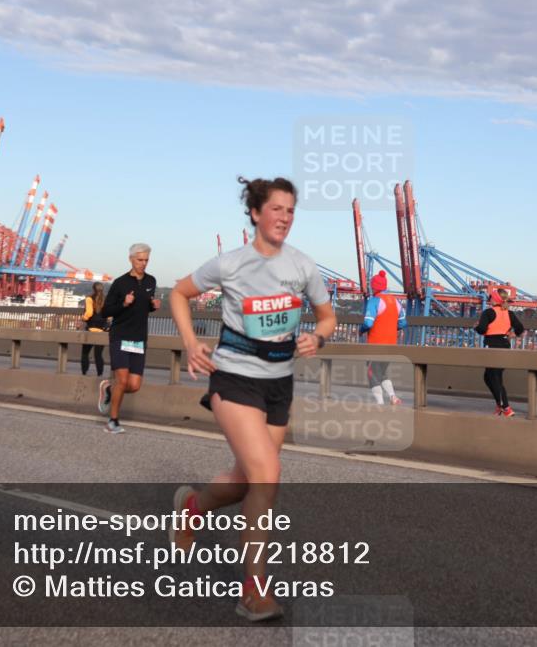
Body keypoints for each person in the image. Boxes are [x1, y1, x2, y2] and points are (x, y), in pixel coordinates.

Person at [169, 176, 336, 621]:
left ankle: (192, 508)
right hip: (234, 377)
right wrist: (190, 342)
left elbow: (327, 315)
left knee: (247, 480)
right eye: (277, 209)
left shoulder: (302, 265)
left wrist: (317, 338)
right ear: (256, 214)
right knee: (267, 472)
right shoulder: (230, 263)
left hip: (279, 383)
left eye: (291, 211)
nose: (284, 217)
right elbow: (179, 293)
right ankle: (253, 590)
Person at [97, 244, 159, 433]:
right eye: (140, 260)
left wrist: (152, 306)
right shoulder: (120, 283)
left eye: (146, 260)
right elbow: (106, 311)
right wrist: (124, 303)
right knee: (122, 381)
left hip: (139, 338)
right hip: (120, 336)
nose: (143, 263)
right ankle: (113, 421)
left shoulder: (151, 281)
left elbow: (143, 307)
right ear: (131, 259)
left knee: (134, 385)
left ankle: (108, 389)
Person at [474, 288, 525, 416]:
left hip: (492, 346)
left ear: (495, 299)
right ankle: (500, 406)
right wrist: (512, 334)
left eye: (491, 296)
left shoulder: (488, 312)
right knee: (492, 377)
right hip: (505, 345)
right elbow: (520, 329)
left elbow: (481, 329)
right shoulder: (509, 313)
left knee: (493, 377)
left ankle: (506, 407)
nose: (489, 298)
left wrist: (476, 327)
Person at [360, 270, 406, 405]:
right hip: (391, 344)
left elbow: (368, 322)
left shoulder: (375, 301)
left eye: (371, 286)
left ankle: (380, 404)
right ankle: (393, 397)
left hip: (375, 344)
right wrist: (392, 328)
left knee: (371, 373)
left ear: (374, 287)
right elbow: (403, 322)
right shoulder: (395, 301)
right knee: (382, 372)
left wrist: (361, 330)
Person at [80, 282, 107, 376]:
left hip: (91, 330)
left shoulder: (89, 299)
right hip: (102, 331)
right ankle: (100, 374)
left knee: (85, 353)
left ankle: (84, 372)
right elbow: (109, 315)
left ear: (93, 289)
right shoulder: (106, 299)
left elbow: (89, 313)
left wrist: (83, 318)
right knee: (98, 355)